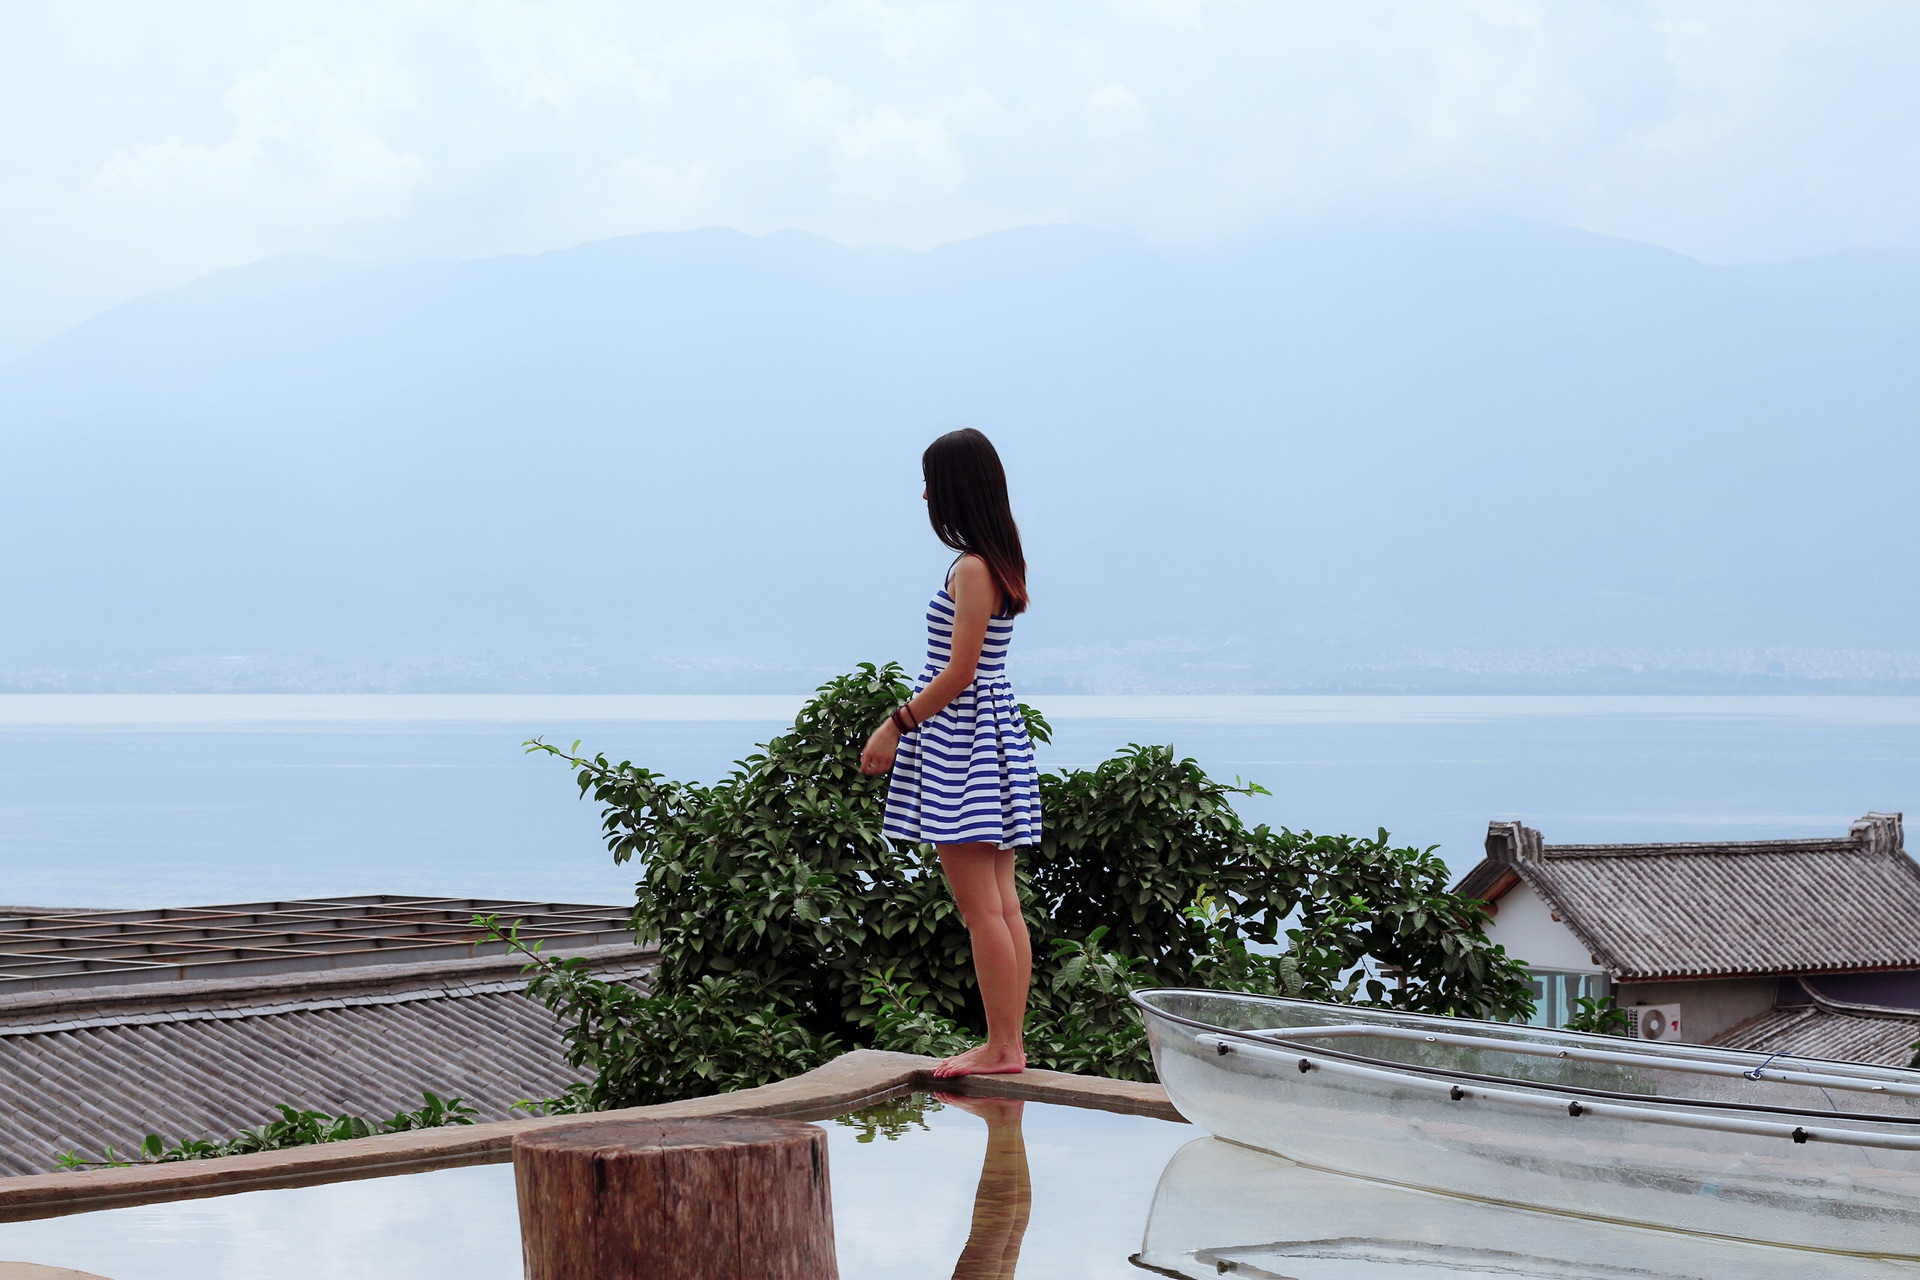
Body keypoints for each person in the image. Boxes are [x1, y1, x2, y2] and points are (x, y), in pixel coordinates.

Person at [860, 427, 1041, 1078]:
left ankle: (1002, 1046)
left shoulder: (971, 567)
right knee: (1003, 904)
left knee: (982, 909)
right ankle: (1009, 1044)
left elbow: (960, 671)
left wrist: (895, 724)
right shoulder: (998, 562)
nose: (925, 494)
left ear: (954, 488)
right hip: (989, 734)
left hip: (963, 742)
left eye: (931, 481)